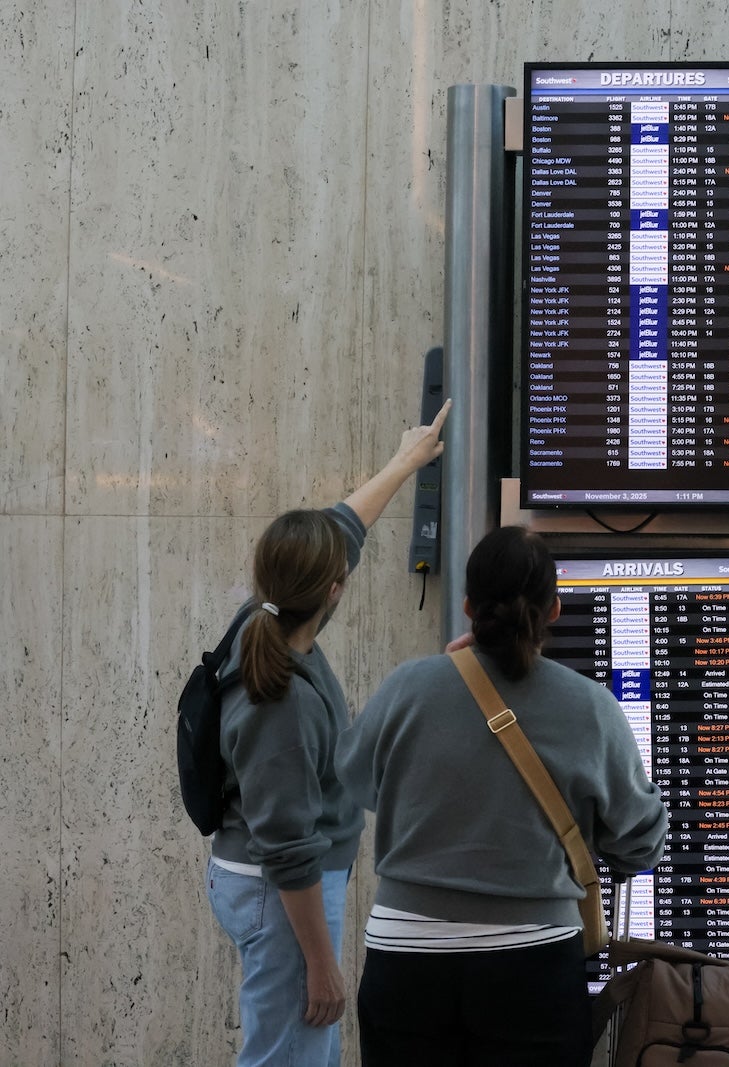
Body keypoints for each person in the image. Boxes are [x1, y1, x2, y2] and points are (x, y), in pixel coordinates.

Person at [336, 525, 669, 1066]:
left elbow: (354, 778)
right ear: (554, 609)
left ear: (468, 606)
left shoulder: (407, 687)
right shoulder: (591, 708)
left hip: (406, 955)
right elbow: (641, 839)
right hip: (533, 960)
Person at [206, 399, 451, 1067]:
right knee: (292, 1057)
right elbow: (287, 845)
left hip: (267, 883)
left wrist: (408, 459)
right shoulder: (280, 700)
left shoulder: (262, 617)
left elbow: (343, 525)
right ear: (336, 590)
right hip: (280, 893)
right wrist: (320, 963)